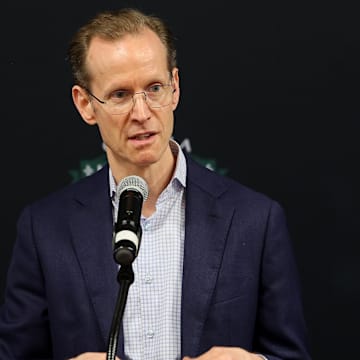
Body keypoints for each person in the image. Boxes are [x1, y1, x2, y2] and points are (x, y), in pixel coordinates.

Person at [0, 7, 312, 360]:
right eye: (119, 94)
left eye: (154, 88)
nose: (142, 112)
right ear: (85, 104)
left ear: (175, 88)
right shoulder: (44, 228)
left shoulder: (256, 219)